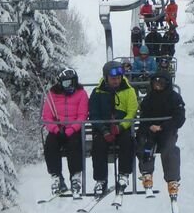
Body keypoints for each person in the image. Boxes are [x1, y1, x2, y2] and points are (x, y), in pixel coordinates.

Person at [88, 61, 138, 195]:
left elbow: (132, 112)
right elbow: (93, 114)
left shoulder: (129, 90)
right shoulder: (98, 92)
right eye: (112, 78)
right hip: (103, 128)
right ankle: (101, 179)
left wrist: (121, 127)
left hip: (121, 127)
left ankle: (123, 175)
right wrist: (103, 130)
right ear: (106, 78)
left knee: (127, 141)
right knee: (98, 145)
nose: (116, 81)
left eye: (118, 78)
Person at [135, 69, 186, 199]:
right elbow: (144, 117)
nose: (158, 86)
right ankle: (146, 172)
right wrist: (149, 126)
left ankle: (172, 180)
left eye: (161, 83)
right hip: (150, 130)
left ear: (167, 83)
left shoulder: (174, 98)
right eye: (155, 83)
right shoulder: (149, 98)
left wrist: (163, 126)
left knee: (169, 149)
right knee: (144, 144)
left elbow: (179, 119)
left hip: (167, 130)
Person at [41, 68, 88, 197]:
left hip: (73, 130)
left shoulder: (81, 94)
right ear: (60, 83)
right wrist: (56, 129)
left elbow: (82, 115)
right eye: (67, 83)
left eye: (73, 82)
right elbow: (47, 117)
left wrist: (71, 129)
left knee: (74, 144)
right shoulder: (52, 95)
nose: (70, 86)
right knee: (50, 144)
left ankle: (75, 176)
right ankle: (56, 176)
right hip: (58, 129)